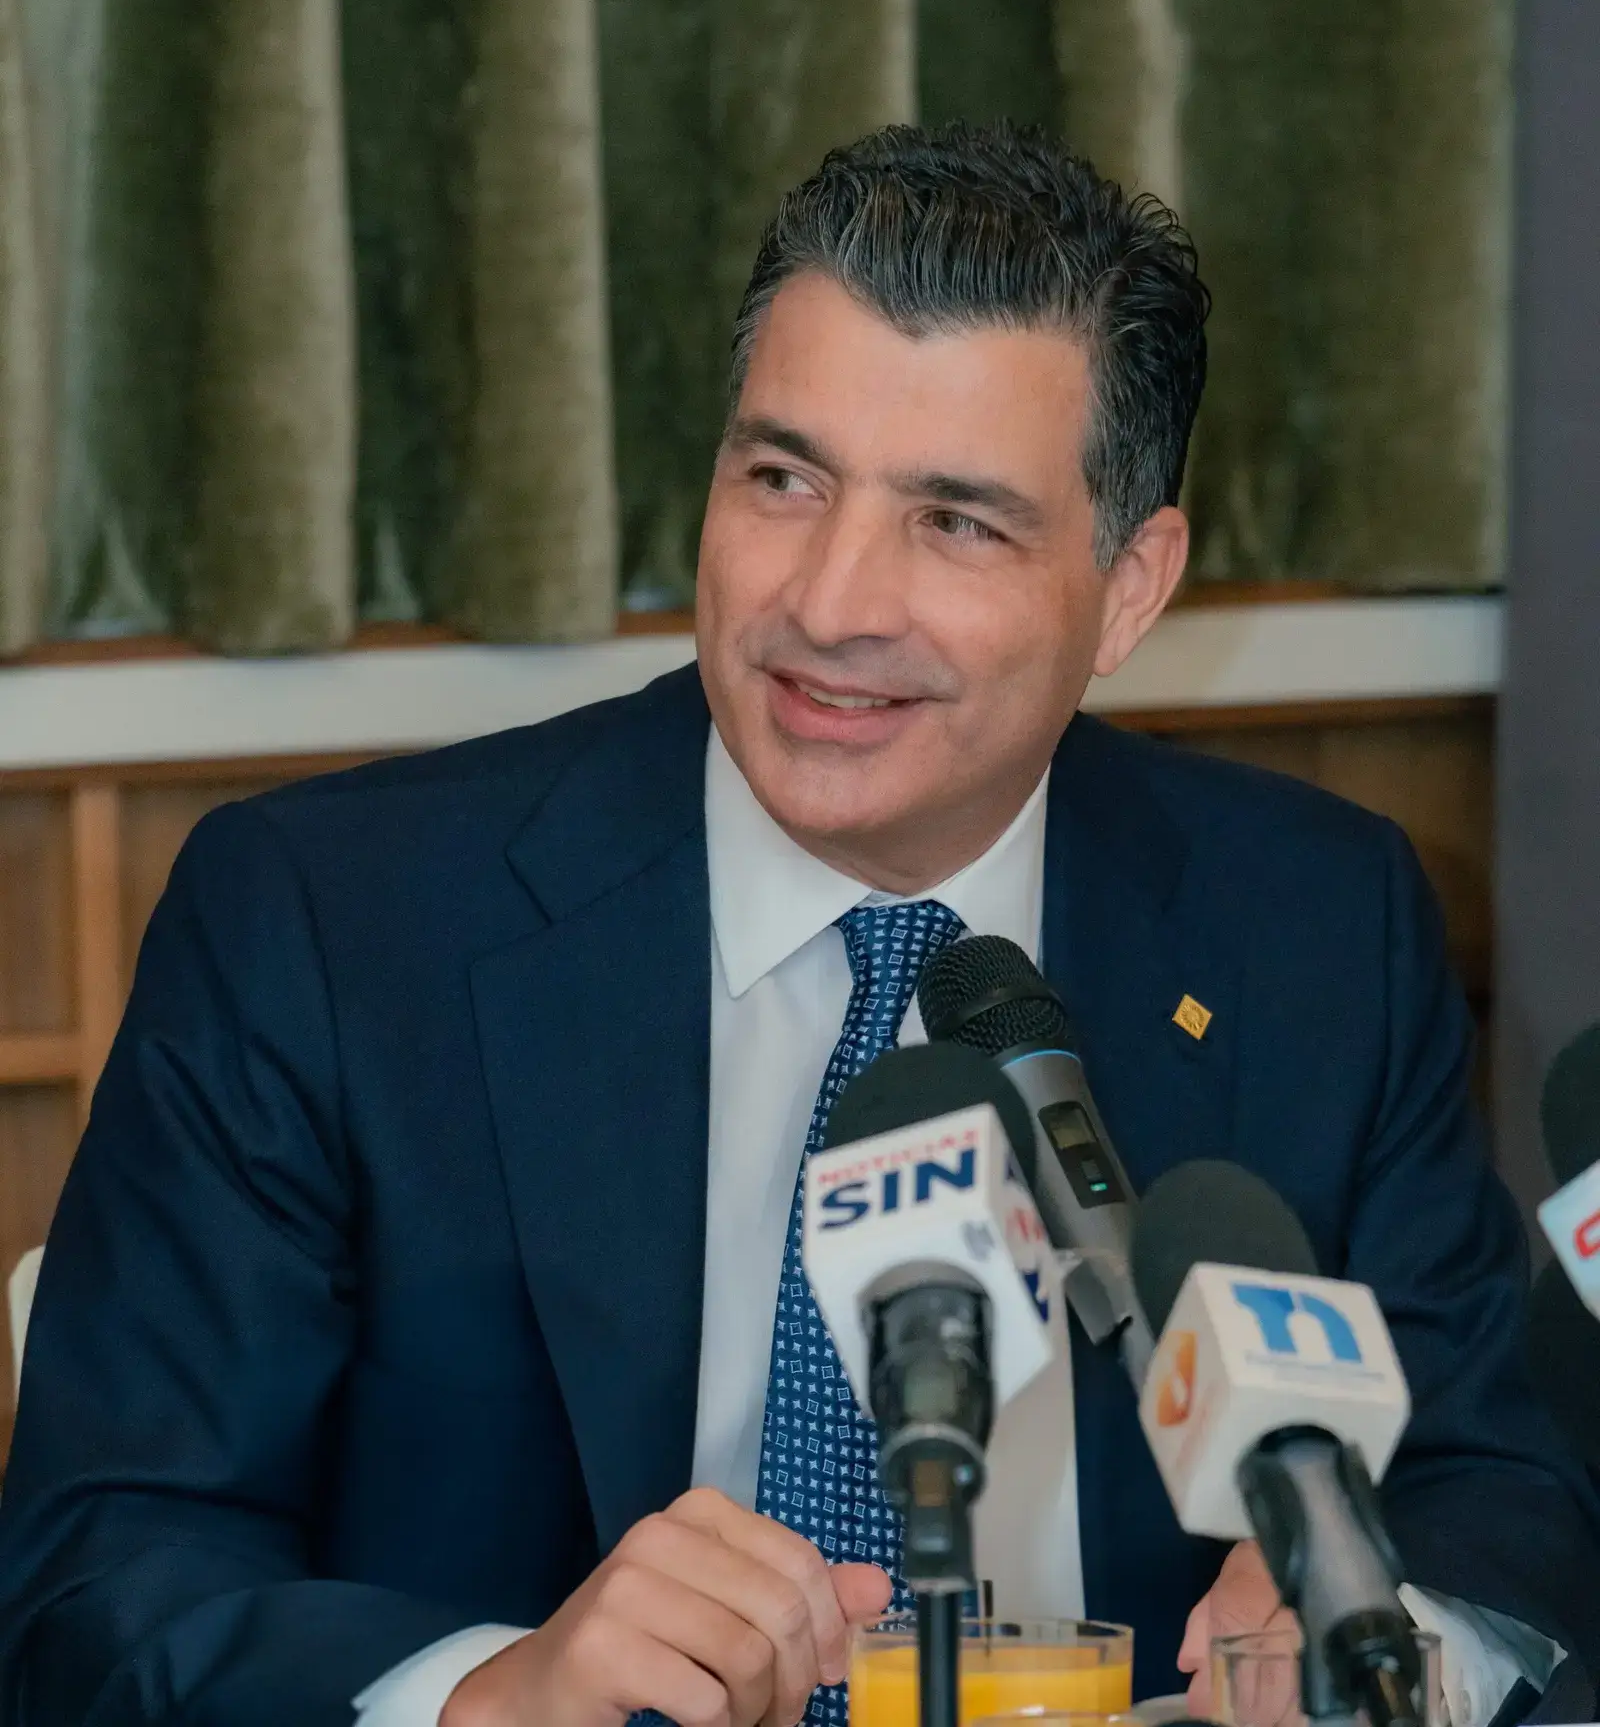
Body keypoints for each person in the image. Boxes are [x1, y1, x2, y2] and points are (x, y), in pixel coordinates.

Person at [0, 124, 1593, 1727]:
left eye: (956, 521)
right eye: (783, 480)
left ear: (1129, 586)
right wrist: (488, 1693)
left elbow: (1490, 1473)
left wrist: (1389, 1634)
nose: (830, 605)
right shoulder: (331, 928)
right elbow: (102, 1577)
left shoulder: (1311, 926)